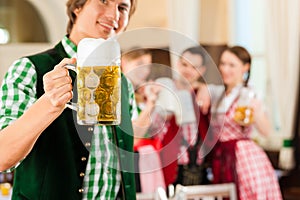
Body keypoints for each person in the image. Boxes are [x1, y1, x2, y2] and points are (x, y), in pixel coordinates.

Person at [0, 0, 138, 199]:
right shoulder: (29, 68)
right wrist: (49, 103)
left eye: (122, 7)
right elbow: (3, 157)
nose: (114, 15)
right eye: (104, 1)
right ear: (77, 7)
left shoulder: (123, 84)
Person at [197, 46, 282, 199]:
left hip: (244, 158)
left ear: (245, 67)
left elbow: (266, 131)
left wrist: (256, 111)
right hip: (221, 157)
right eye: (222, 64)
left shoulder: (249, 94)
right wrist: (203, 87)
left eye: (231, 65)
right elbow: (201, 88)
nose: (225, 69)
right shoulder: (221, 93)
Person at [155, 46, 210, 188]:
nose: (188, 70)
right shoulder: (165, 89)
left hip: (199, 168)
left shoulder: (202, 94)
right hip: (173, 167)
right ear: (178, 64)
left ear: (202, 70)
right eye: (184, 64)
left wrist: (204, 87)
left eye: (194, 67)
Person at [121, 48, 165, 193]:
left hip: (143, 159)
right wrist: (150, 105)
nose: (144, 71)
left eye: (147, 66)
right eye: (139, 64)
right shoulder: (121, 93)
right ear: (124, 62)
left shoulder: (139, 94)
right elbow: (133, 137)